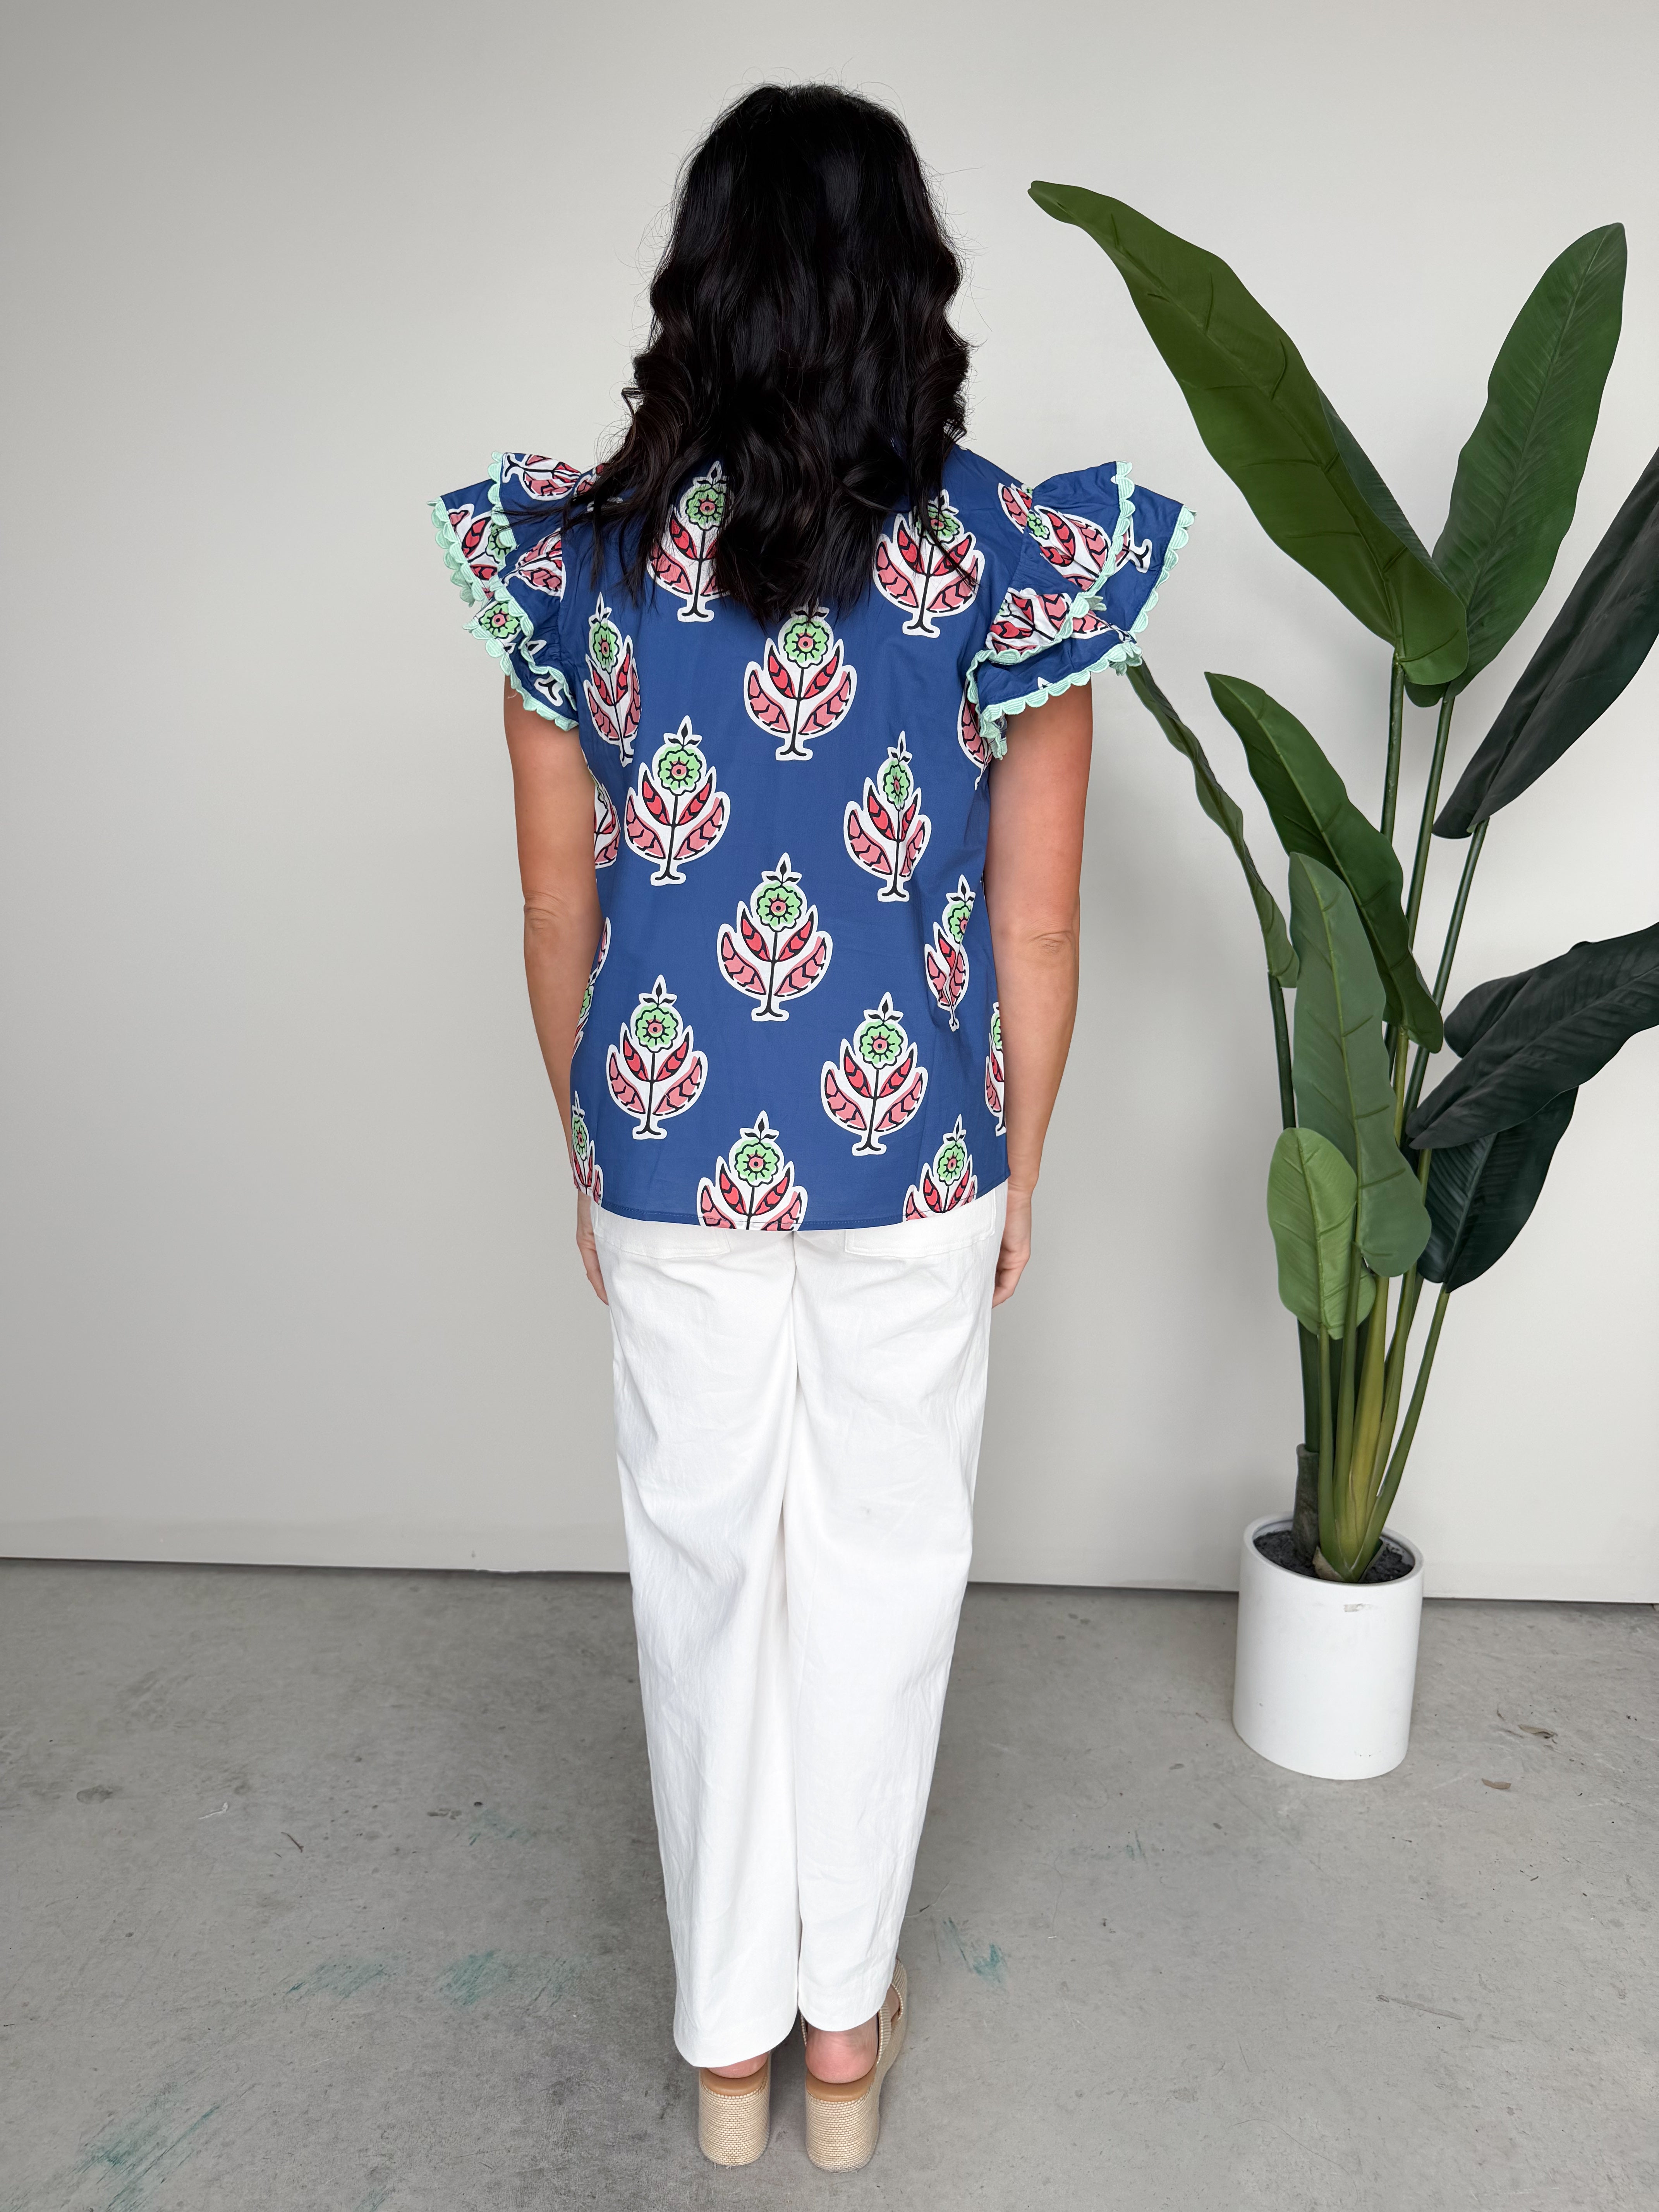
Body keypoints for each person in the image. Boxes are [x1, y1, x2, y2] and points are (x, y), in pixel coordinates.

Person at [430, 82, 1190, 2172]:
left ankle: (726, 2060)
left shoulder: (574, 560)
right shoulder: (1006, 559)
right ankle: (842, 2037)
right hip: (912, 1146)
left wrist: (590, 1148)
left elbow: (557, 908)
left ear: (700, 281)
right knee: (882, 1574)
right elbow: (1039, 923)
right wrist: (1023, 1162)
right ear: (906, 285)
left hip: (669, 1144)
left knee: (705, 1580)